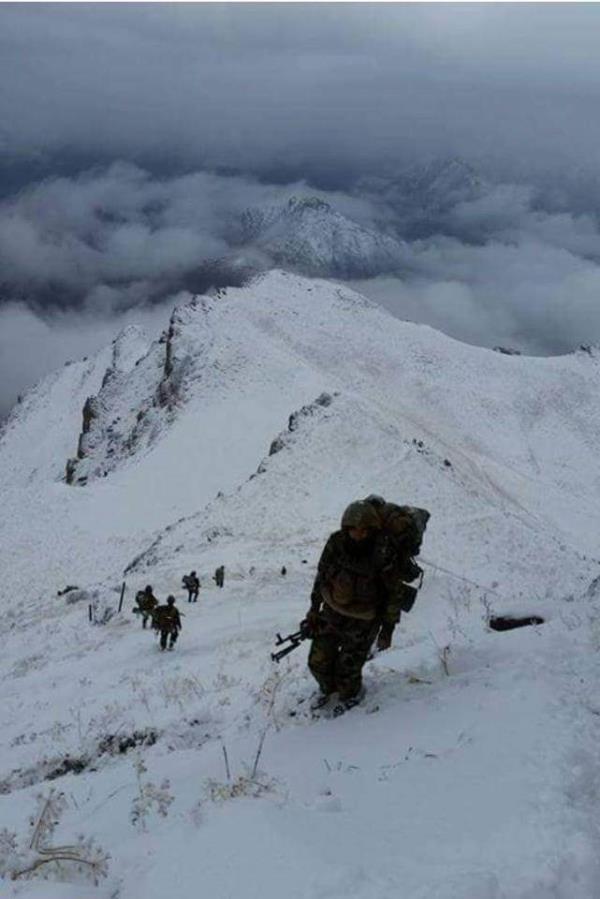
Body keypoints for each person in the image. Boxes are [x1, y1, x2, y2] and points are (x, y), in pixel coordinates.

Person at [302, 501, 409, 712]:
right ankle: (328, 690)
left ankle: (350, 696)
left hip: (365, 619)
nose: (358, 535)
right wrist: (314, 609)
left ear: (372, 530)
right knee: (318, 661)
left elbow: (393, 594)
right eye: (354, 530)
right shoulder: (336, 543)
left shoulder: (383, 552)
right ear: (346, 528)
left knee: (348, 668)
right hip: (332, 611)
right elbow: (322, 575)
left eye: (364, 531)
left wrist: (387, 629)